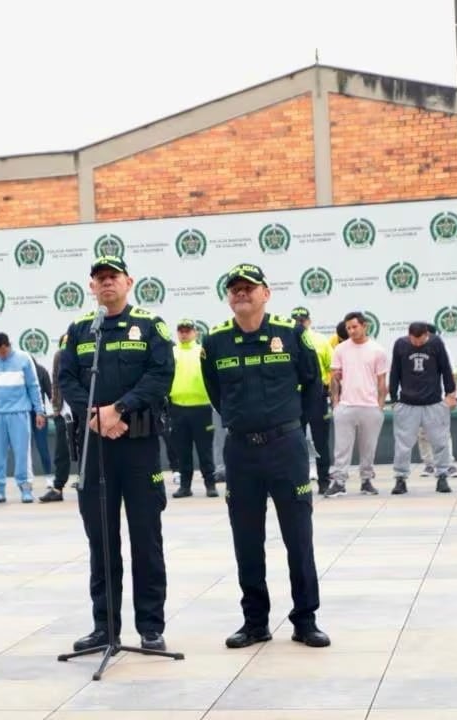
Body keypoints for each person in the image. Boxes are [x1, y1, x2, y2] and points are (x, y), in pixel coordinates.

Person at [201, 263, 329, 649]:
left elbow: (312, 385)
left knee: (298, 537)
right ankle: (255, 621)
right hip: (241, 452)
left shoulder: (291, 335)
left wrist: (291, 426)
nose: (241, 293)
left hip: (285, 450)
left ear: (266, 293)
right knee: (246, 540)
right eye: (235, 288)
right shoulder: (215, 342)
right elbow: (216, 393)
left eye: (249, 287)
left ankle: (305, 620)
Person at [57, 255, 175, 652]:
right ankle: (104, 626)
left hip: (138, 445)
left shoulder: (150, 325)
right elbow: (68, 378)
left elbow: (160, 376)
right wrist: (92, 414)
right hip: (95, 447)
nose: (106, 284)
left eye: (113, 277)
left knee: (146, 538)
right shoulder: (78, 330)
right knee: (101, 540)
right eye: (99, 279)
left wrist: (117, 409)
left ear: (129, 282)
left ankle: (150, 625)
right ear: (92, 287)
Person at [325, 312, 389, 497]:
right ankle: (339, 482)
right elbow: (334, 377)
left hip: (370, 407)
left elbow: (382, 381)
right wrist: (336, 403)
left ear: (364, 326)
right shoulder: (340, 349)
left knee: (368, 447)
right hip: (346, 406)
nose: (352, 331)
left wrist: (380, 405)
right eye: (349, 328)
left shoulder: (378, 350)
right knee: (341, 447)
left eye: (355, 327)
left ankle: (366, 481)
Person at [390, 322, 457, 494]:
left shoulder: (436, 343)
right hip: (407, 402)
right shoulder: (400, 344)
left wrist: (450, 393)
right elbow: (395, 371)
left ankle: (442, 476)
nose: (418, 344)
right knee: (403, 445)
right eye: (414, 340)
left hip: (433, 402)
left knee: (440, 441)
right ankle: (400, 479)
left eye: (421, 340)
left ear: (426, 334)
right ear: (409, 335)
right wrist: (394, 398)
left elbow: (445, 368)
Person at [0, 333, 47, 504]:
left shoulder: (24, 359)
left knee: (22, 453)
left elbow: (34, 386)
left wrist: (39, 411)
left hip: (19, 413)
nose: (0, 355)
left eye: (2, 351)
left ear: (7, 345)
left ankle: (25, 488)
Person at [169, 319, 218, 498]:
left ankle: (210, 484)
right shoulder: (171, 352)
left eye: (187, 330)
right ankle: (185, 486)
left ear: (195, 332)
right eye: (181, 330)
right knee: (182, 451)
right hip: (178, 408)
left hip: (202, 408)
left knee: (205, 450)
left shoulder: (202, 351)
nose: (184, 333)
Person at [291, 308, 334, 494]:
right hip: (293, 397)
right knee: (292, 441)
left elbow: (331, 367)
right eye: (296, 320)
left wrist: (328, 387)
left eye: (303, 320)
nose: (300, 323)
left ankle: (324, 480)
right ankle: (297, 481)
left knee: (321, 441)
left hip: (316, 395)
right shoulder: (284, 339)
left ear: (309, 320)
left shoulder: (321, 340)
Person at [41, 335, 77, 502]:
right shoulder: (59, 356)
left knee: (89, 448)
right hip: (63, 411)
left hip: (83, 409)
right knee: (61, 451)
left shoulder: (85, 354)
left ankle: (87, 480)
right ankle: (58, 487)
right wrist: (56, 407)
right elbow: (55, 381)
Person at [30, 356, 56, 478]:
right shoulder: (20, 372)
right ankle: (27, 476)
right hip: (23, 414)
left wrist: (57, 408)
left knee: (42, 446)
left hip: (39, 413)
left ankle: (49, 476)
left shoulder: (41, 371)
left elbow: (50, 393)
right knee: (24, 448)